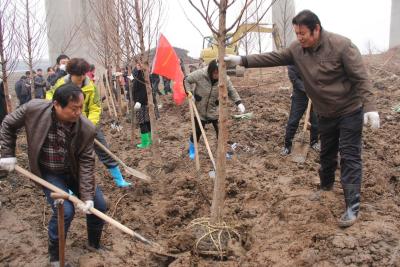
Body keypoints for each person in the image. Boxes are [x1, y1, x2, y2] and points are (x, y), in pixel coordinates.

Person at [225, 10, 380, 227]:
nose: (299, 38)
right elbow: (273, 57)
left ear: (316, 29)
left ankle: (352, 207)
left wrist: (370, 108)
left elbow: (361, 78)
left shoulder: (342, 45)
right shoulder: (297, 50)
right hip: (325, 112)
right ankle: (326, 188)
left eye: (303, 33)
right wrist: (242, 59)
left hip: (349, 110)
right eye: (296, 33)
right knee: (326, 154)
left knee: (350, 156)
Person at [0, 84, 107, 265]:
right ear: (56, 104)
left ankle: (93, 244)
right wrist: (7, 154)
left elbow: (87, 163)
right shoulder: (33, 109)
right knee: (65, 211)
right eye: (74, 109)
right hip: (49, 173)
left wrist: (87, 196)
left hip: (74, 173)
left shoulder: (86, 128)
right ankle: (56, 257)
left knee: (99, 205)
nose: (79, 113)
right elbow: (8, 124)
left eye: (81, 107)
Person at [46, 58, 132, 188]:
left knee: (104, 149)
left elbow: (95, 107)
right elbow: (50, 99)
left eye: (83, 74)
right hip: (67, 125)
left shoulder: (90, 86)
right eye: (78, 75)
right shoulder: (61, 84)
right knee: (68, 154)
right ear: (71, 74)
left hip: (87, 124)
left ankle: (119, 179)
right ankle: (68, 185)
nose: (81, 77)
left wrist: (90, 125)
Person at [184, 59, 245, 160]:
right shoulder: (200, 74)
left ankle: (222, 151)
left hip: (215, 109)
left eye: (219, 73)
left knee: (221, 131)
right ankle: (192, 149)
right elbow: (186, 79)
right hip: (200, 108)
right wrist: (189, 93)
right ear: (210, 71)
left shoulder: (224, 78)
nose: (217, 75)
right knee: (197, 131)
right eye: (215, 73)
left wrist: (239, 102)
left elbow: (231, 90)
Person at [281, 65, 319, 155]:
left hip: (315, 94)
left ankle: (314, 142)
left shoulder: (314, 57)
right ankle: (287, 146)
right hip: (299, 95)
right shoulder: (293, 61)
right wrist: (307, 90)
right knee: (293, 121)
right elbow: (294, 79)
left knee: (316, 120)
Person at [131, 62, 153, 149]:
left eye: (139, 64)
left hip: (142, 103)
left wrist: (139, 101)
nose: (138, 66)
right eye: (137, 65)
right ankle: (150, 140)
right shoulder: (139, 74)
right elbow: (137, 86)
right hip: (143, 102)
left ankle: (145, 142)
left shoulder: (143, 75)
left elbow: (143, 89)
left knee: (142, 122)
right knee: (147, 121)